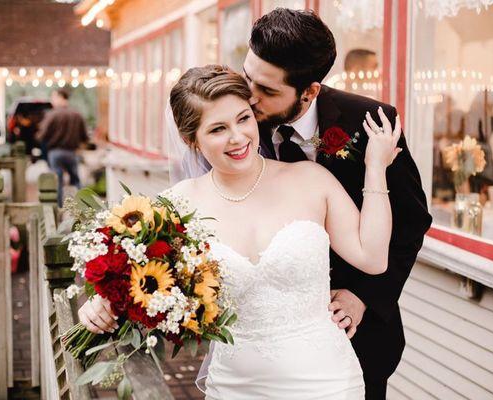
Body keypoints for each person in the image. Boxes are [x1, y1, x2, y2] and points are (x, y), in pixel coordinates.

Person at [81, 64, 401, 399]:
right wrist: (100, 303)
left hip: (326, 381)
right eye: (218, 129)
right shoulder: (175, 205)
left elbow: (373, 258)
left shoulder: (310, 179)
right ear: (192, 139)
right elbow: (136, 279)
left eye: (243, 118)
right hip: (234, 385)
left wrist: (375, 169)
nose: (238, 137)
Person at [37, 89, 88, 206]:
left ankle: (58, 209)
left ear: (60, 97)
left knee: (57, 182)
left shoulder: (52, 115)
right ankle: (84, 207)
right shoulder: (77, 115)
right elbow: (84, 137)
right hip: (72, 153)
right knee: (76, 181)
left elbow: (41, 135)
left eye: (53, 97)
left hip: (55, 153)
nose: (52, 100)